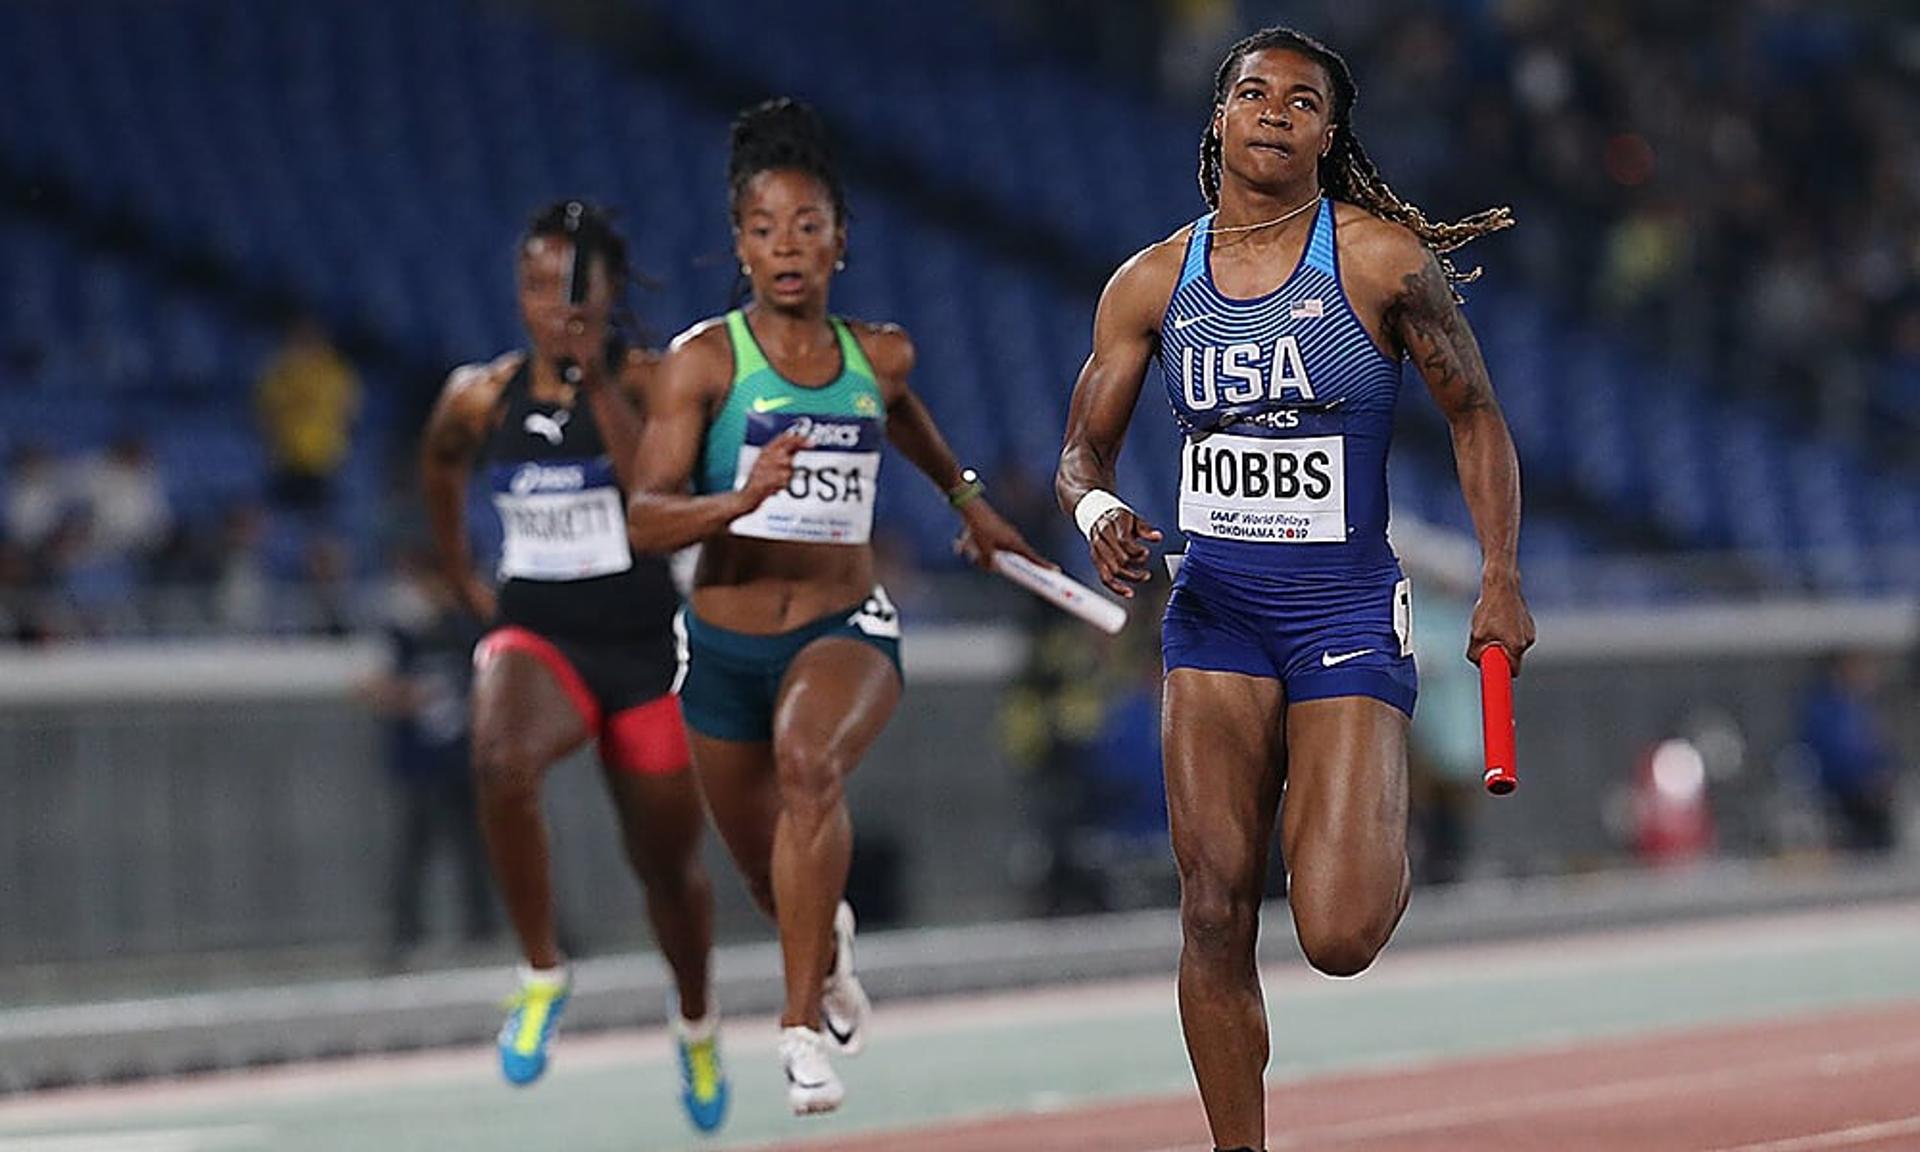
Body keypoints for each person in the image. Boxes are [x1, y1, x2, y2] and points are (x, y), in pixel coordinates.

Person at [1054, 28, 1535, 1152]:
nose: (1275, 112)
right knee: (1213, 907)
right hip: (1215, 612)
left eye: (1303, 101)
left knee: (1339, 931)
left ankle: (1362, 806)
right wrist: (1097, 511)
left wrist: (1502, 574)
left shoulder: (1376, 261)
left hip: (1344, 614)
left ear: (1330, 133)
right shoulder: (1151, 282)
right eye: (1253, 93)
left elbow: (1475, 414)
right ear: (1217, 117)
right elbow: (1081, 453)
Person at [625, 98, 1042, 1116]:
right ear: (740, 244)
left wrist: (970, 502)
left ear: (841, 243)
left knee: (811, 765)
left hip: (843, 626)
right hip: (721, 646)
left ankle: (800, 1029)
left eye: (808, 227)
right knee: (773, 884)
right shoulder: (704, 362)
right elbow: (644, 519)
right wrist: (740, 498)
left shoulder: (879, 356)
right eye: (765, 230)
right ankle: (830, 946)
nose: (787, 247)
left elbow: (903, 418)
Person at [419, 201, 729, 1132]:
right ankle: (542, 970)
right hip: (538, 636)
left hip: (643, 650)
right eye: (537, 287)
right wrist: (462, 574)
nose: (556, 307)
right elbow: (439, 468)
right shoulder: (479, 395)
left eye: (575, 288)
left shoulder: (647, 382)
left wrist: (593, 386)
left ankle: (696, 1023)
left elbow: (654, 498)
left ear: (606, 294)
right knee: (499, 759)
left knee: (666, 868)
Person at [257, 313, 361, 517]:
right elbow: (264, 412)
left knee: (323, 522)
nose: (306, 344)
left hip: (324, 463)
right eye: (300, 338)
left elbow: (348, 414)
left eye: (310, 339)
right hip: (285, 462)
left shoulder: (336, 374)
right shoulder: (279, 372)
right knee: (281, 521)